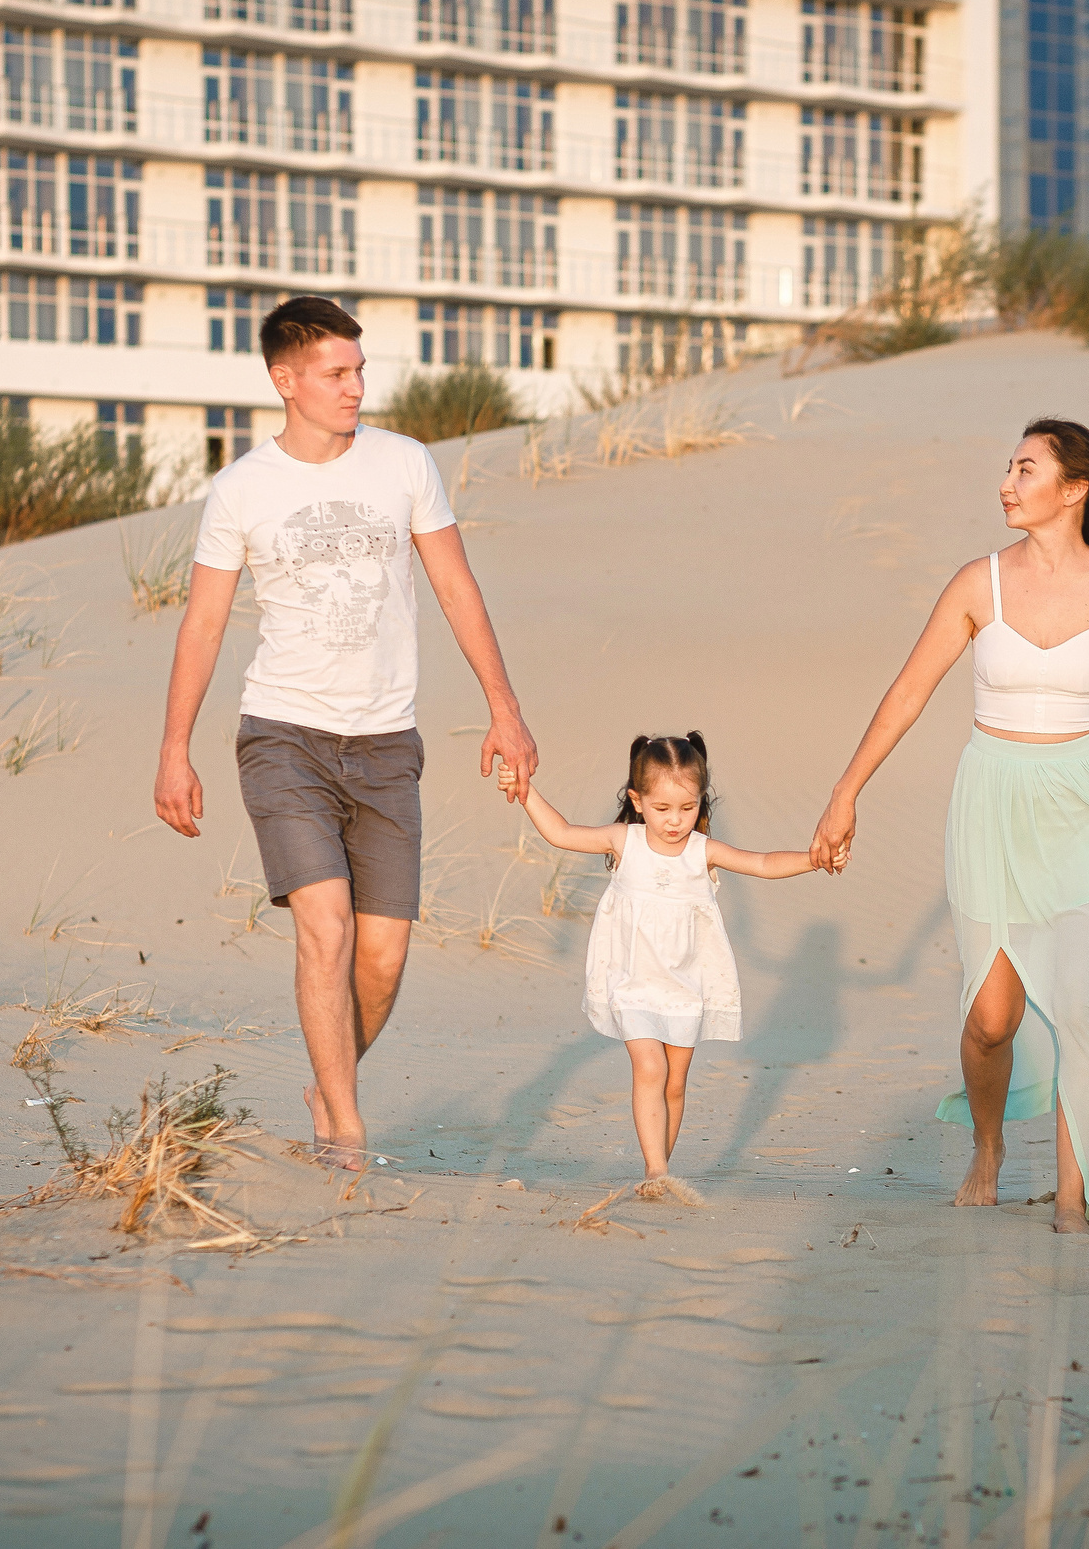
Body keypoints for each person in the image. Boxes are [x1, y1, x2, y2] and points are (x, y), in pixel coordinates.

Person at [808, 419, 1089, 1232]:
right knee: (993, 1017)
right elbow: (906, 694)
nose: (1006, 481)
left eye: (1025, 468)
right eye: (1008, 466)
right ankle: (989, 1143)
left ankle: (1077, 1197)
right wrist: (844, 791)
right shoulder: (977, 584)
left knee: (1086, 1005)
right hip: (994, 803)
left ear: (1072, 488)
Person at [154, 296, 537, 1166]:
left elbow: (456, 587)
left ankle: (329, 1086)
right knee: (322, 924)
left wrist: (505, 709)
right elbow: (204, 625)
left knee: (384, 958)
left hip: (386, 744)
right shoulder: (243, 489)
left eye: (359, 369)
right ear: (285, 380)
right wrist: (174, 749)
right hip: (284, 735)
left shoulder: (404, 465)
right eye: (336, 373)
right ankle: (346, 1137)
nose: (355, 387)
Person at [499, 734, 818, 1205]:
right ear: (637, 799)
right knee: (648, 1066)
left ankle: (658, 1175)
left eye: (687, 808)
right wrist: (525, 790)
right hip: (633, 981)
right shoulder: (623, 841)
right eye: (662, 807)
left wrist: (815, 858)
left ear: (700, 803)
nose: (674, 821)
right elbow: (561, 833)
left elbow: (763, 863)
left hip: (687, 985)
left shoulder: (702, 851)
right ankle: (655, 1169)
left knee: (674, 1083)